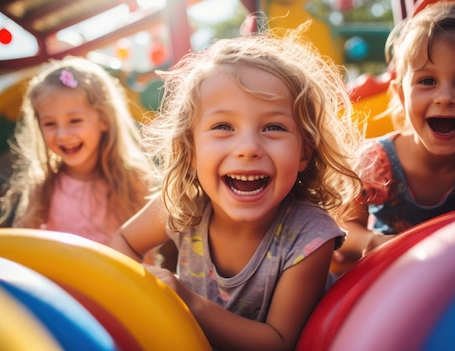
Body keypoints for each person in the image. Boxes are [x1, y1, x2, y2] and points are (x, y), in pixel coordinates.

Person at [105, 23, 363, 350]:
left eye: (273, 127)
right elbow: (123, 242)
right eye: (224, 126)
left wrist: (187, 302)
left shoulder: (309, 237)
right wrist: (144, 294)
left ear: (304, 152)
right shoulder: (184, 203)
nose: (248, 148)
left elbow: (279, 342)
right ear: (190, 148)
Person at [334, 1, 455, 273]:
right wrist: (370, 241)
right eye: (427, 81)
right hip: (392, 289)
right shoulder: (374, 163)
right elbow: (341, 228)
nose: (445, 98)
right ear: (402, 95)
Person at [0, 56, 154, 246]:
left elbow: (147, 256)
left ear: (104, 120)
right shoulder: (43, 185)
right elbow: (22, 246)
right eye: (50, 124)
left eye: (75, 121)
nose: (62, 135)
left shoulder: (132, 178)